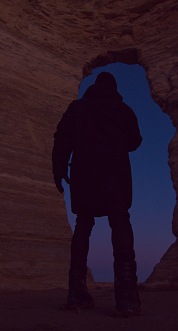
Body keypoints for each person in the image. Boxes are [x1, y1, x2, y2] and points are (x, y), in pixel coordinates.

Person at [52, 72, 143, 317]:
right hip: (115, 174)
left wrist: (59, 169)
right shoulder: (124, 110)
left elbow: (62, 138)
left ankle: (76, 293)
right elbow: (135, 141)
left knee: (83, 225)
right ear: (113, 87)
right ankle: (126, 298)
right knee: (120, 221)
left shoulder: (78, 108)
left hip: (84, 175)